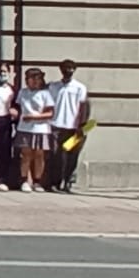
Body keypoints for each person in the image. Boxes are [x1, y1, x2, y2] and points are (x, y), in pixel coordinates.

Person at [49, 60, 91, 192]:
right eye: (66, 68)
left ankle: (68, 182)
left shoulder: (80, 88)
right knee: (56, 155)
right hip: (56, 126)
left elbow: (84, 109)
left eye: (71, 68)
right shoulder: (53, 86)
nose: (68, 71)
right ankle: (55, 182)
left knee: (71, 155)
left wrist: (82, 127)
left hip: (73, 127)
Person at [16, 66, 55, 191]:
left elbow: (50, 113)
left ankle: (37, 181)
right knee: (26, 154)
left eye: (36, 78)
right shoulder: (23, 92)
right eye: (30, 79)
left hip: (41, 128)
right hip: (25, 128)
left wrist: (34, 117)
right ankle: (25, 180)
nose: (33, 81)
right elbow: (17, 107)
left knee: (39, 155)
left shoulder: (45, 94)